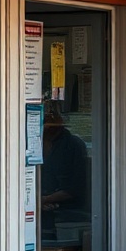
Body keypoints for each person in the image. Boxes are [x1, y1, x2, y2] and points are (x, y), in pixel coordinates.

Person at [40, 101, 88, 238]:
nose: (46, 124)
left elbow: (75, 188)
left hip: (68, 216)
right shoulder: (34, 143)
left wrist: (44, 200)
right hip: (41, 212)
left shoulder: (73, 145)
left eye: (50, 118)